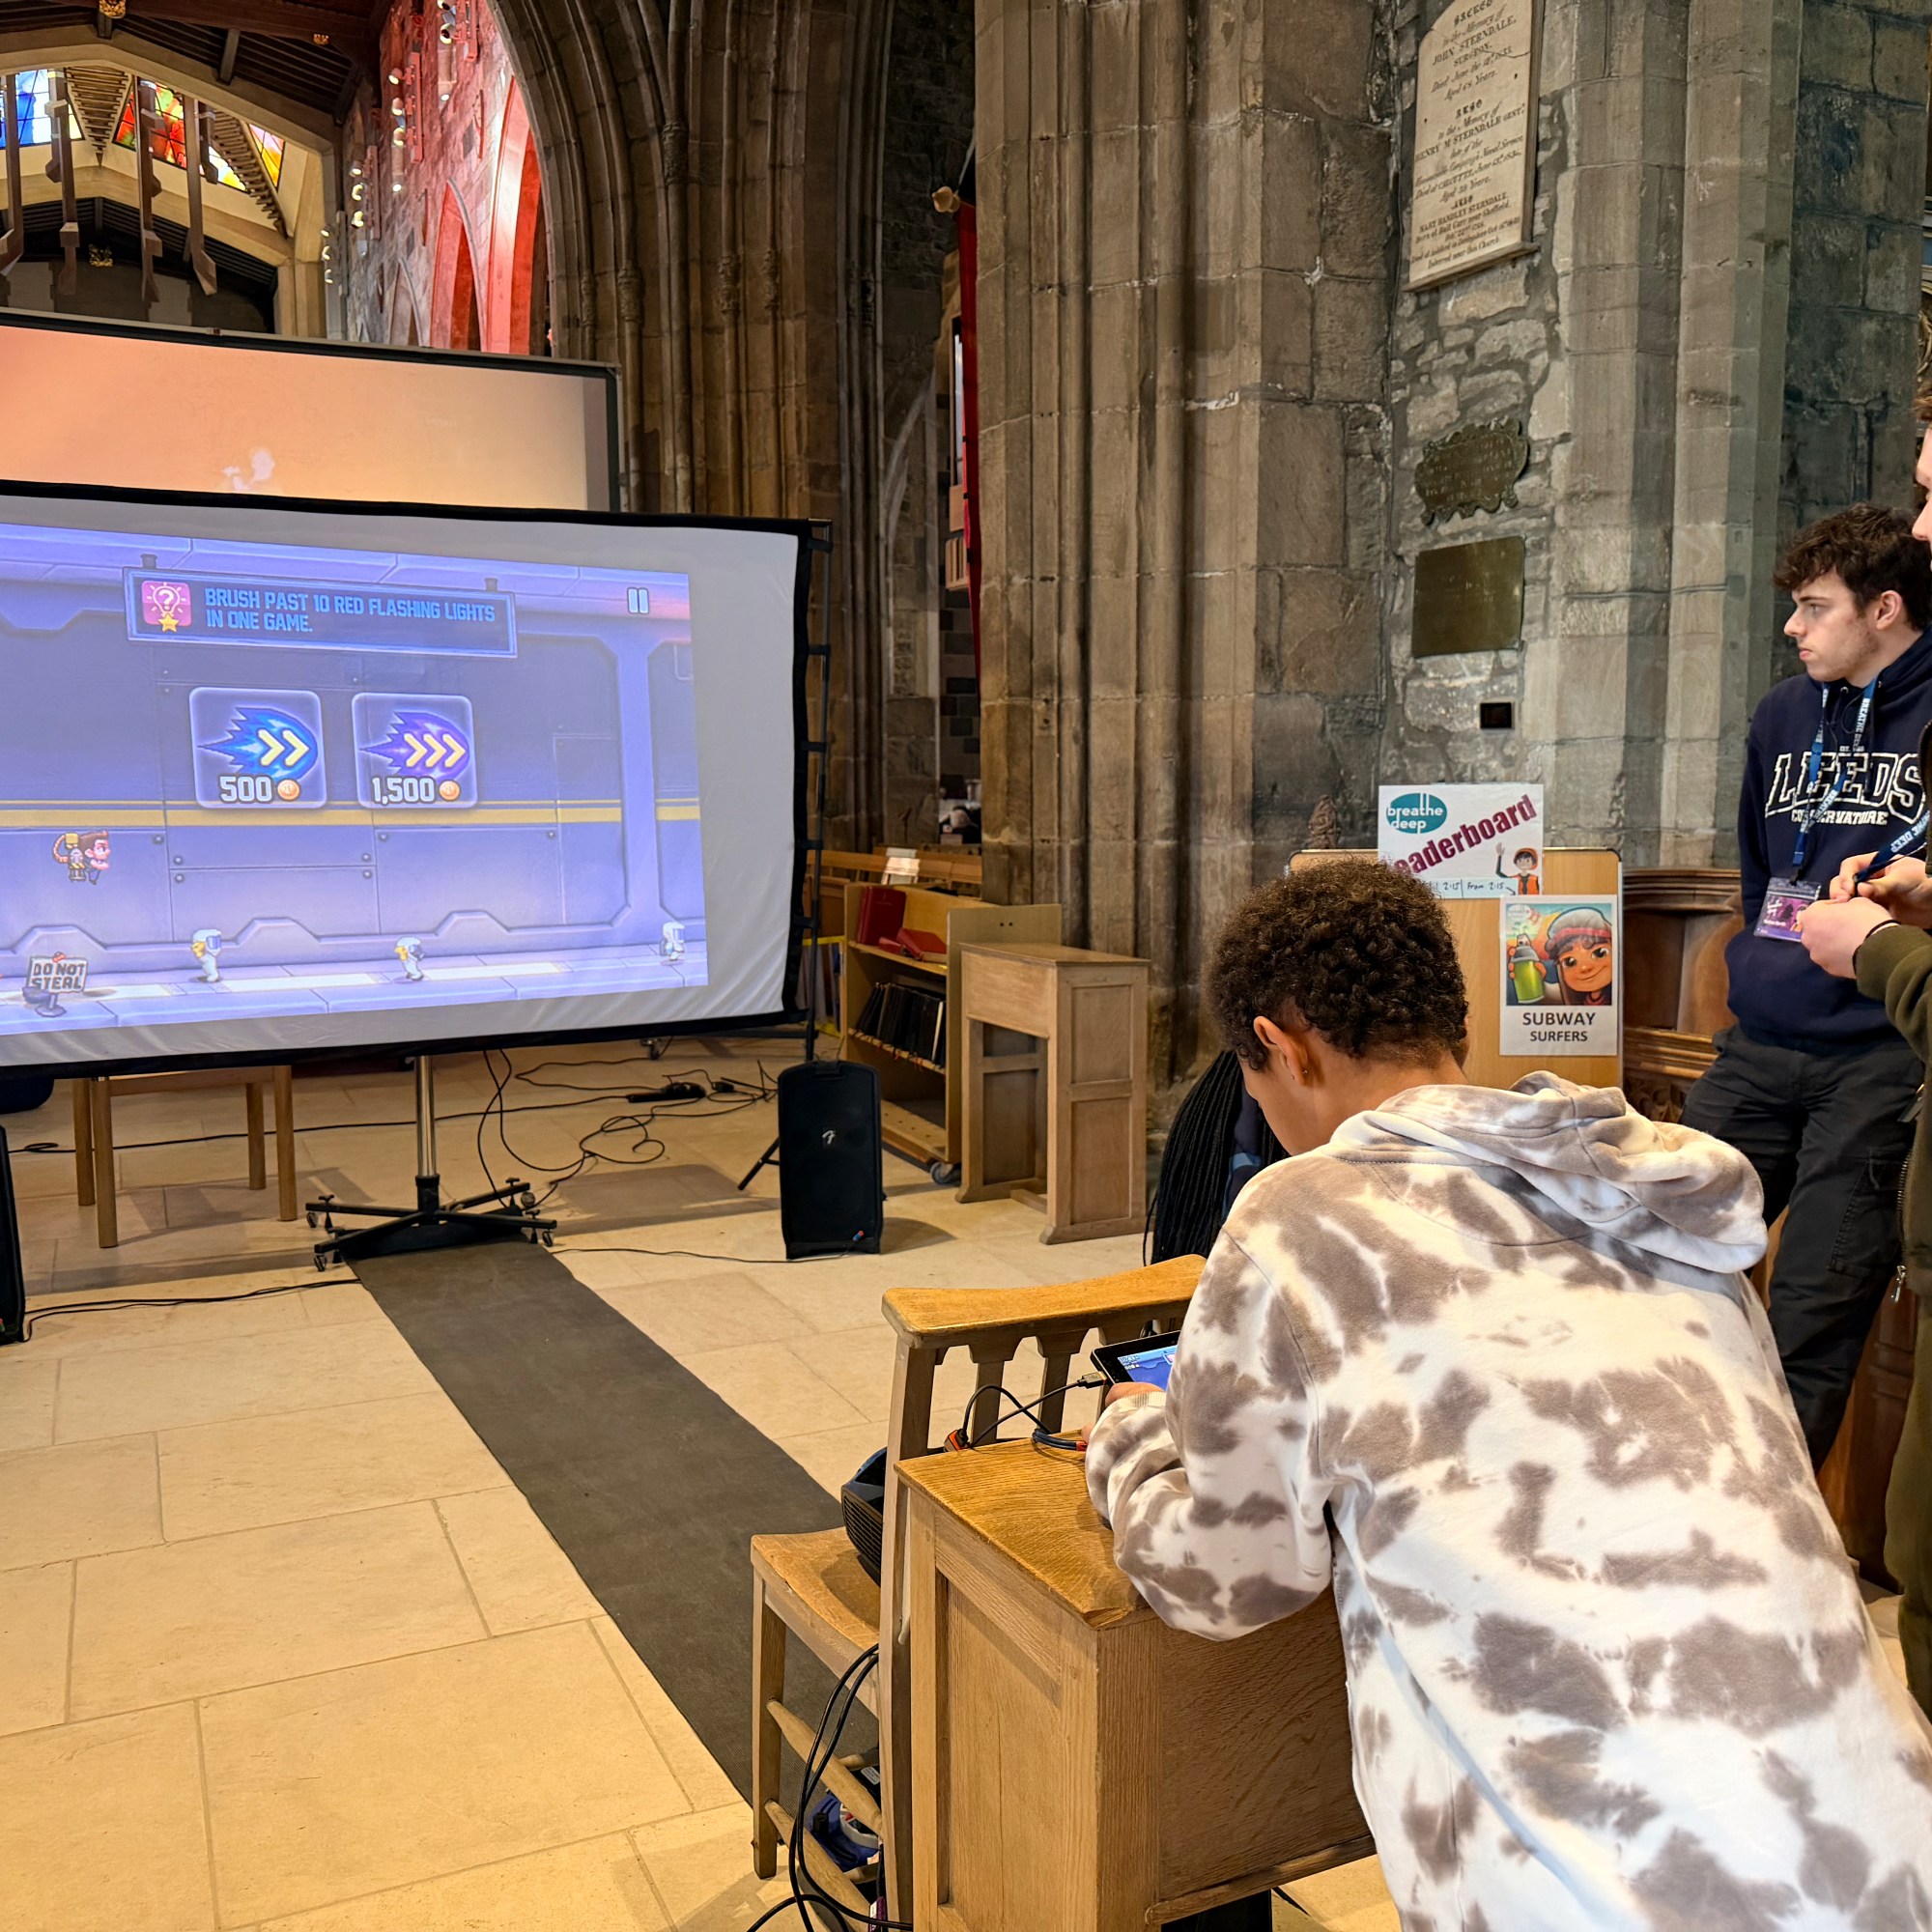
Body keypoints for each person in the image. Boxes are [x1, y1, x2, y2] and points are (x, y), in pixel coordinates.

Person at [1086, 862, 1932, 1931]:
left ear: (1283, 1049)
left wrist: (1130, 1446)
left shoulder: (1299, 1215)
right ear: (1459, 1023)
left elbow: (1230, 1579)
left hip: (1604, 1890)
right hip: (1881, 1845)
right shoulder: (1656, 1197)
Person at [1680, 504, 1932, 1466]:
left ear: (1884, 608)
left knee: (1810, 1319)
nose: (1793, 626)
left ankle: (1765, 1525)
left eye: (1814, 606)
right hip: (1759, 1042)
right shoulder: (1784, 712)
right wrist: (1771, 961)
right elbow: (1758, 869)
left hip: (1877, 1058)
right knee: (1654, 1253)